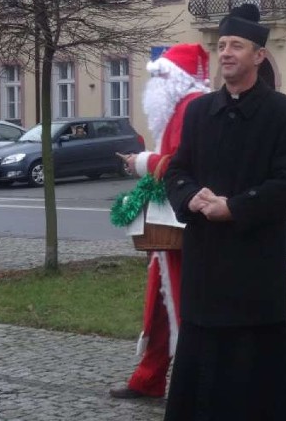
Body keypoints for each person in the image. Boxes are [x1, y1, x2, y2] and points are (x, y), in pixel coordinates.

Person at [163, 3, 286, 420]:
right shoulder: (198, 112)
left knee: (254, 389)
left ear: (258, 55)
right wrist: (189, 197)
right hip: (205, 271)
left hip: (254, 276)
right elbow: (177, 170)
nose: (225, 53)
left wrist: (235, 208)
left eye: (237, 46)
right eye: (222, 45)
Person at [108, 43, 210, 400]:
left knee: (182, 301)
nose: (154, 84)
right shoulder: (179, 106)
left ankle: (194, 383)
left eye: (161, 75)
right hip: (169, 221)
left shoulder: (192, 105)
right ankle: (149, 379)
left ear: (176, 77)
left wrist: (143, 162)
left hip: (182, 219)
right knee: (162, 303)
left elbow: (183, 164)